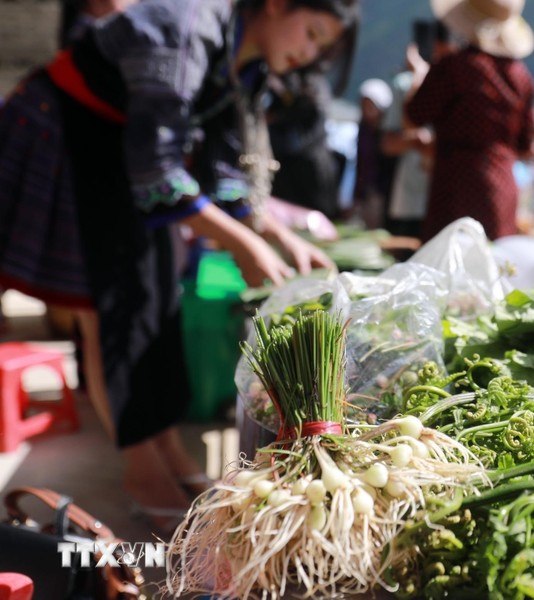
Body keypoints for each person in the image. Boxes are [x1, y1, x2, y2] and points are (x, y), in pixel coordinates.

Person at [0, 0, 356, 530]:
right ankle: (142, 473)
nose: (308, 53)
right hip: (76, 132)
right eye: (311, 33)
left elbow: (221, 168)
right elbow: (157, 170)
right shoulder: (186, 28)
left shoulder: (248, 65)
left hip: (127, 154)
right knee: (118, 305)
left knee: (162, 293)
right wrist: (242, 244)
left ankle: (171, 456)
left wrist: (274, 233)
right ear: (278, 5)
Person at [405, 0, 534, 242]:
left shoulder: (454, 67)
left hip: (457, 184)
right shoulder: (522, 77)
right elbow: (525, 145)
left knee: (448, 263)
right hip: (503, 185)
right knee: (495, 264)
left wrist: (418, 77)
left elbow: (414, 116)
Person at [381, 20, 455, 239]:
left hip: (445, 199)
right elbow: (390, 142)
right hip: (412, 201)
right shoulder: (405, 83)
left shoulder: (458, 83)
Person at [268, 71, 342, 219]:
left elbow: (303, 133)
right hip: (284, 170)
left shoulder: (312, 85)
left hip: (311, 171)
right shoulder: (280, 79)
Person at [352, 78, 395, 229]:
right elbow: (361, 163)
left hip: (383, 192)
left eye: (370, 105)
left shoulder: (389, 133)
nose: (366, 109)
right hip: (367, 190)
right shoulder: (363, 129)